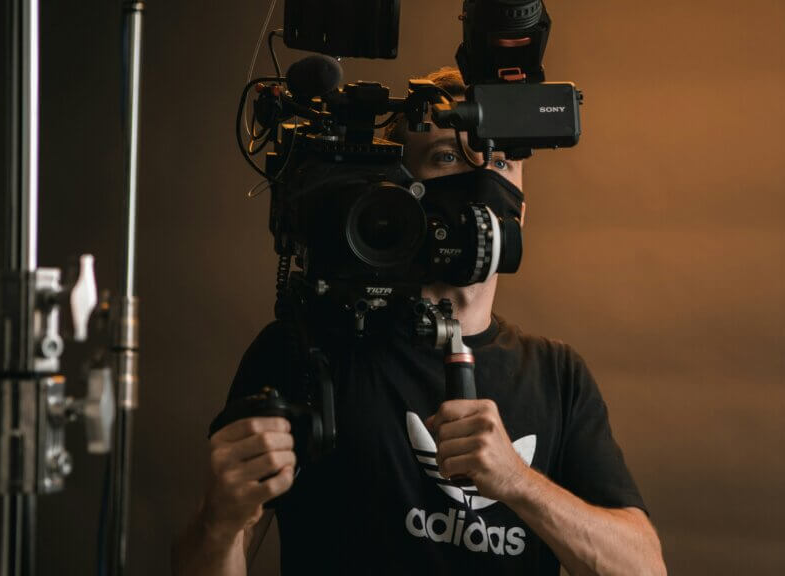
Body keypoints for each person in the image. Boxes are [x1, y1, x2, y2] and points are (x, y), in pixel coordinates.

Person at [172, 68, 666, 576]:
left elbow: (645, 569)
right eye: (447, 157)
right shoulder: (306, 349)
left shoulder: (558, 376)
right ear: (400, 189)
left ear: (523, 207)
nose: (483, 182)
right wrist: (219, 522)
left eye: (500, 160)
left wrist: (517, 480)